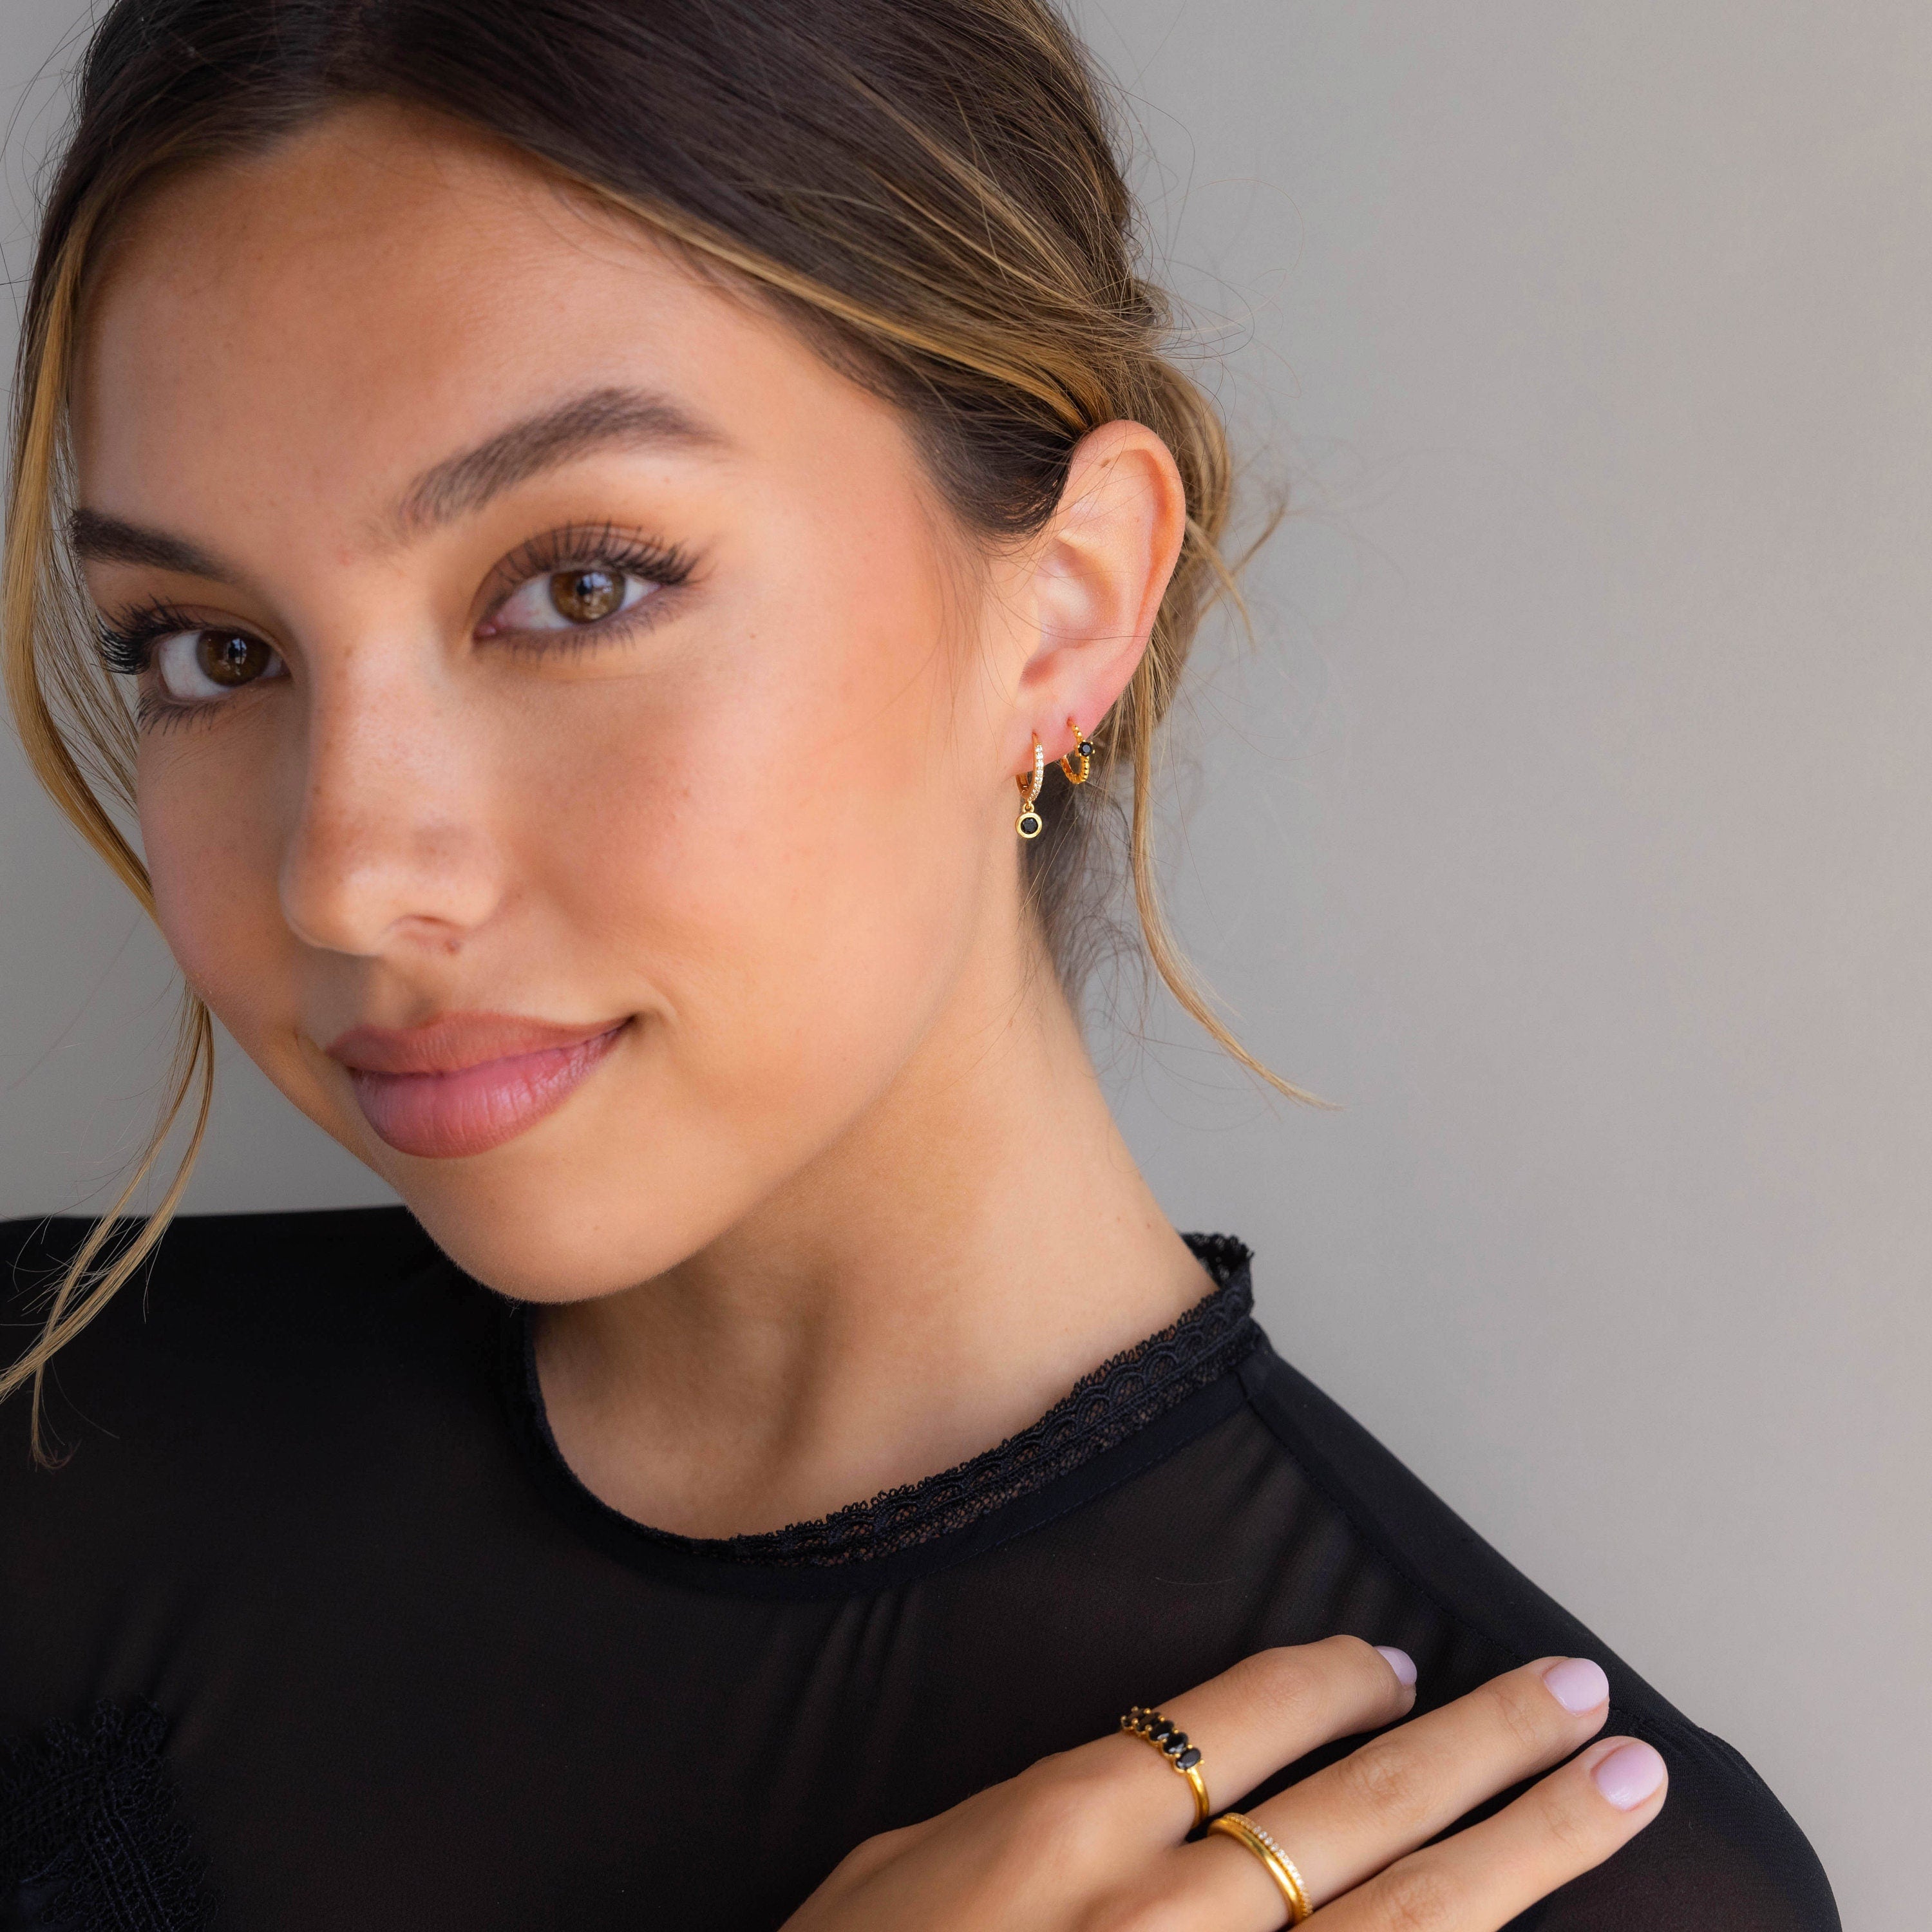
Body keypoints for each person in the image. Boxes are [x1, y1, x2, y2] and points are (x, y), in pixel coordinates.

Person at [0, 3, 1836, 1928]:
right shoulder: (43, 1432)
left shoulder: (1557, 1888)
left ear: (1063, 611)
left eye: (582, 586)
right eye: (208, 648)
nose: (348, 875)